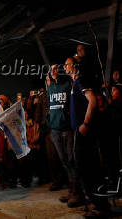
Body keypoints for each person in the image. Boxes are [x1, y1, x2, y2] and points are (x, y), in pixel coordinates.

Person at [65, 56, 110, 215]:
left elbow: (93, 101)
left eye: (67, 64)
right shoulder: (75, 83)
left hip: (83, 131)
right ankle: (92, 201)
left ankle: (100, 206)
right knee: (80, 166)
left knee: (89, 169)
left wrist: (86, 124)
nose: (65, 67)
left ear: (75, 66)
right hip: (78, 130)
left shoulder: (80, 81)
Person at [46, 64, 79, 204]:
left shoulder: (67, 85)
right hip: (55, 130)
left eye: (55, 69)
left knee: (72, 160)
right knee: (64, 161)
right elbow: (48, 106)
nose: (53, 71)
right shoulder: (50, 88)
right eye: (50, 69)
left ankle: (77, 192)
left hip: (67, 129)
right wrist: (49, 122)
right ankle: (72, 190)